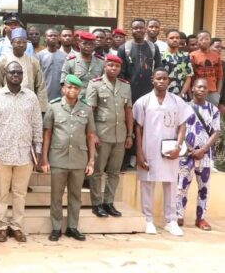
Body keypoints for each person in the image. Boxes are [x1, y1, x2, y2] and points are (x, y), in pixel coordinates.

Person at [0, 61, 43, 243]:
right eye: (12, 72)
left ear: (23, 75)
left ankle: (17, 226)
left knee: (20, 193)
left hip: (25, 154)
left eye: (19, 72)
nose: (16, 75)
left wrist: (38, 149)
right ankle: (2, 227)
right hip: (2, 154)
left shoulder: (31, 97)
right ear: (5, 75)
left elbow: (37, 124)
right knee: (2, 193)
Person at [133, 68, 192, 236]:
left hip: (170, 150)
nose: (161, 81)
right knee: (147, 184)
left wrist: (178, 147)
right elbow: (138, 128)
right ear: (152, 80)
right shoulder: (143, 102)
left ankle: (171, 221)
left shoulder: (177, 101)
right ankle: (148, 220)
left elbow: (182, 125)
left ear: (169, 81)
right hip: (149, 149)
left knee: (171, 184)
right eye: (158, 78)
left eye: (165, 78)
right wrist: (139, 152)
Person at [41, 74, 96, 242]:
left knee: (75, 196)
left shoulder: (86, 109)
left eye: (76, 88)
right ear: (63, 88)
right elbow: (47, 133)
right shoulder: (53, 107)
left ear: (80, 91)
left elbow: (90, 135)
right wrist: (44, 159)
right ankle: (56, 227)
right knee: (56, 195)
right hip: (58, 158)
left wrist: (91, 160)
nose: (72, 90)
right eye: (69, 87)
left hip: (79, 159)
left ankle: (72, 227)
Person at [86, 55, 133, 218]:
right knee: (97, 172)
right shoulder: (95, 84)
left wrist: (129, 134)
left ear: (120, 69)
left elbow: (128, 111)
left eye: (117, 66)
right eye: (111, 65)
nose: (114, 68)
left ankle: (109, 202)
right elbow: (90, 112)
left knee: (114, 172)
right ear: (105, 66)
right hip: (102, 135)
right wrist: (93, 134)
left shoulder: (125, 86)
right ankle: (96, 204)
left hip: (120, 136)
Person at [177, 78, 219, 231]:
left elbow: (216, 132)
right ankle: (179, 216)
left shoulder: (213, 110)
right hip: (185, 155)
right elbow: (179, 129)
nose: (201, 90)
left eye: (204, 88)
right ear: (192, 89)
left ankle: (201, 219)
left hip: (205, 156)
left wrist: (203, 150)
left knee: (204, 189)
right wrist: (190, 149)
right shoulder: (184, 108)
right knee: (181, 187)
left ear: (208, 91)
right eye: (199, 87)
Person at [0, 28, 48, 111]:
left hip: (29, 105)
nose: (22, 45)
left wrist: (41, 109)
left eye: (24, 42)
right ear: (12, 43)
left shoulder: (33, 61)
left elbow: (40, 85)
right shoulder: (2, 60)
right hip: (7, 105)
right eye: (18, 42)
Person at [118, 18, 162, 104]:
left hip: (149, 90)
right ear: (131, 30)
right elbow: (120, 73)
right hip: (129, 91)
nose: (138, 30)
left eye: (141, 28)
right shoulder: (124, 48)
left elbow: (158, 68)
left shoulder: (153, 47)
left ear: (145, 29)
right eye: (135, 28)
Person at [61, 32, 105, 96]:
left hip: (95, 98)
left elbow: (104, 83)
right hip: (76, 98)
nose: (88, 46)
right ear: (79, 44)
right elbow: (63, 84)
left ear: (94, 45)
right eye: (85, 43)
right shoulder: (70, 61)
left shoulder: (101, 62)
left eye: (91, 44)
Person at [191, 31, 222, 106]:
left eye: (207, 39)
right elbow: (190, 77)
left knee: (212, 112)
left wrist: (217, 93)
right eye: (201, 39)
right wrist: (190, 93)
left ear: (210, 40)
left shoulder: (216, 56)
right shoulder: (192, 55)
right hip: (198, 91)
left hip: (212, 93)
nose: (204, 41)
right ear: (197, 41)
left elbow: (220, 77)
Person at [37, 28, 68, 101]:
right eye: (50, 35)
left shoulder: (64, 56)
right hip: (44, 93)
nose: (53, 37)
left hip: (60, 94)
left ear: (58, 38)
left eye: (55, 36)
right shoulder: (39, 56)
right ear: (45, 38)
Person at [162, 29, 193, 99]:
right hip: (164, 95)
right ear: (166, 39)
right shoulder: (161, 56)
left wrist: (181, 94)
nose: (175, 40)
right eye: (171, 38)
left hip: (181, 96)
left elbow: (188, 77)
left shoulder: (185, 56)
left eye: (177, 38)